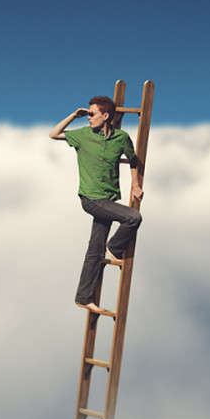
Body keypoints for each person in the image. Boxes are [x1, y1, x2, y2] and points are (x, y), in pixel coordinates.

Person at [49, 96, 143, 313]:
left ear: (106, 116)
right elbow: (53, 134)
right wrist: (75, 115)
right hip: (91, 199)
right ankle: (115, 247)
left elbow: (133, 160)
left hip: (108, 198)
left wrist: (136, 185)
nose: (89, 118)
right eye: (88, 114)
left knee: (94, 250)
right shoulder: (82, 135)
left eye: (92, 114)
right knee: (133, 218)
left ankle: (83, 297)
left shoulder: (121, 138)